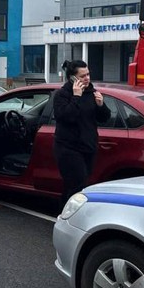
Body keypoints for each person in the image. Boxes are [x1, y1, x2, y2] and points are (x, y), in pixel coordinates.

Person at [52, 59, 110, 205]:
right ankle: (72, 220)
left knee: (74, 186)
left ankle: (63, 214)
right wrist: (76, 97)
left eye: (88, 74)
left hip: (88, 146)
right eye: (83, 76)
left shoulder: (91, 92)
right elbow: (65, 117)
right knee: (78, 186)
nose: (87, 78)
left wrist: (101, 105)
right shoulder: (62, 95)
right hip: (68, 148)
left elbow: (104, 118)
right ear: (73, 77)